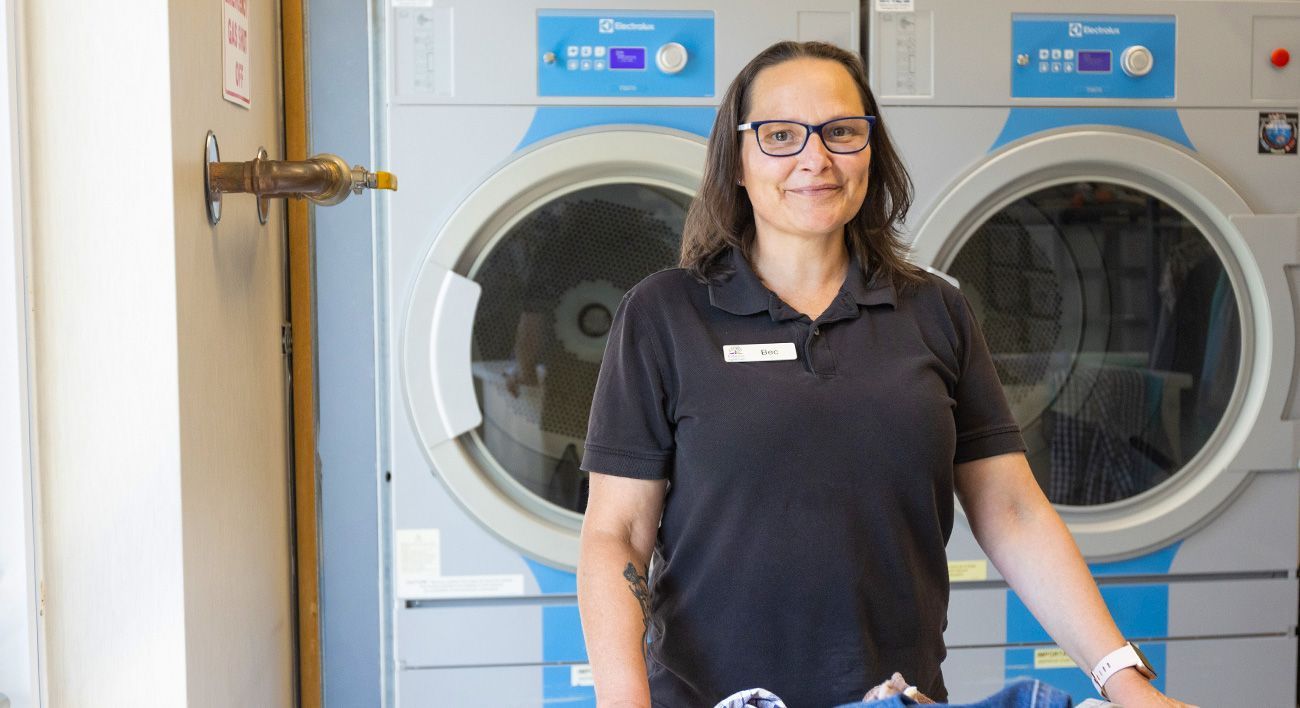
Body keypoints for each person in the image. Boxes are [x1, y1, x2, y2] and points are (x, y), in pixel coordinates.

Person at [576, 41, 1194, 708]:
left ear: (871, 150)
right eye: (781, 136)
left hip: (895, 696)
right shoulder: (665, 313)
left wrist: (1124, 681)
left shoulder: (935, 311)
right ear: (738, 161)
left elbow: (1012, 509)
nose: (815, 159)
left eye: (842, 132)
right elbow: (619, 534)